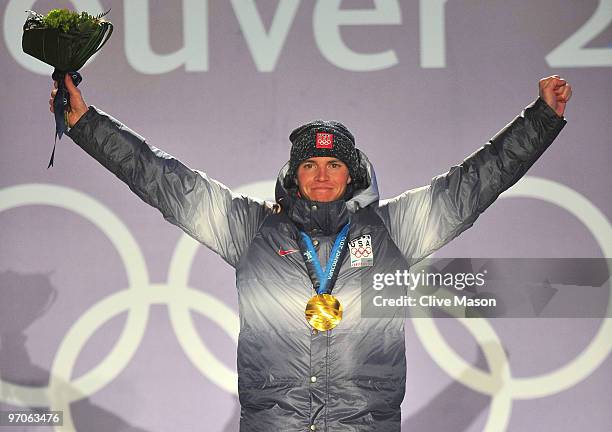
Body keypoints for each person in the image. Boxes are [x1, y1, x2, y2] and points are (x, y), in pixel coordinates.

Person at [50, 75, 571, 431]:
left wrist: (542, 120)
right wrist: (87, 125)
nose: (322, 175)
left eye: (334, 165)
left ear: (352, 176)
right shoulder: (250, 230)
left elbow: (475, 183)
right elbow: (165, 181)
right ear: (293, 176)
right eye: (310, 165)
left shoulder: (392, 231)